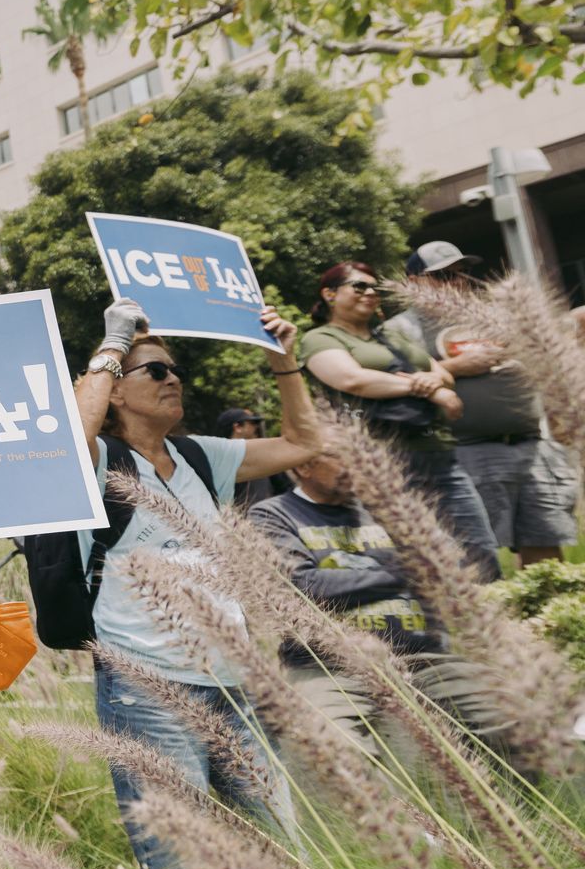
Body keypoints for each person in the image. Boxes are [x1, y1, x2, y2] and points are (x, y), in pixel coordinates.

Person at [72, 297, 321, 869]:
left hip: (233, 682)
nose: (172, 378)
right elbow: (66, 437)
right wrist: (113, 342)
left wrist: (285, 362)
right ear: (114, 391)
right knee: (181, 859)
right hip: (148, 687)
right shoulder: (98, 457)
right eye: (155, 370)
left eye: (175, 369)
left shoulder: (199, 456)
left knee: (277, 850)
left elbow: (304, 445)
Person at [248, 453, 512, 757]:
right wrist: (406, 574)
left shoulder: (394, 511)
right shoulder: (273, 515)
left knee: (511, 723)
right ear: (304, 465)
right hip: (327, 666)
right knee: (334, 748)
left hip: (425, 657)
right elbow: (302, 585)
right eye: (341, 455)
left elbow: (448, 565)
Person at [300, 261, 501, 580]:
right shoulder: (320, 338)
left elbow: (442, 374)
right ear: (329, 294)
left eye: (374, 288)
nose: (370, 293)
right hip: (384, 462)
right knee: (413, 557)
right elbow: (352, 380)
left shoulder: (391, 335)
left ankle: (496, 622)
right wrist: (429, 390)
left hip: (439, 453)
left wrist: (436, 384)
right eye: (359, 286)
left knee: (479, 548)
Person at [385, 242, 580, 568]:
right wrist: (458, 367)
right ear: (414, 281)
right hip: (468, 451)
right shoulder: (401, 329)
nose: (457, 282)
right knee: (476, 554)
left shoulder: (491, 315)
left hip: (532, 445)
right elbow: (393, 381)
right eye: (444, 275)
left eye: (463, 273)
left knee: (546, 546)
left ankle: (548, 614)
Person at [217, 408, 291, 510]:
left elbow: (286, 488)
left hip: (269, 520)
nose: (256, 427)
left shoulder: (264, 456)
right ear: (237, 427)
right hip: (233, 523)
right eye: (252, 423)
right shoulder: (217, 460)